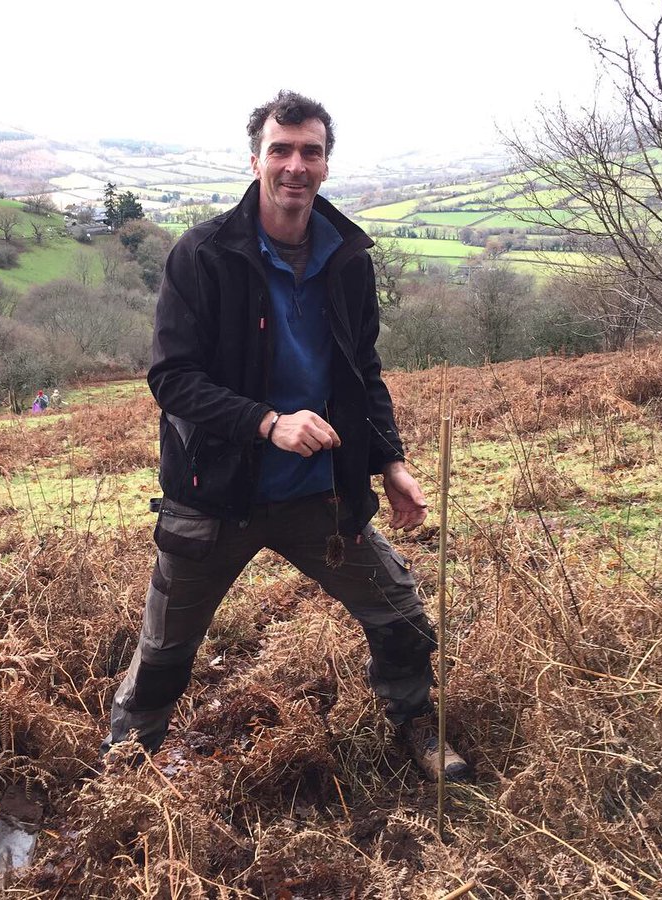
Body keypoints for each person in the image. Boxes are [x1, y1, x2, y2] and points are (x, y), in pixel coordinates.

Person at [102, 90, 470, 781]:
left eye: (310, 152)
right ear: (256, 160)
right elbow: (173, 379)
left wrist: (390, 461)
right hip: (215, 495)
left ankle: (416, 722)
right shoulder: (202, 255)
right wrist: (268, 422)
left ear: (326, 165)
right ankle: (125, 771)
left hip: (318, 493)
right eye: (282, 150)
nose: (295, 165)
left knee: (400, 614)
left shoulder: (348, 258)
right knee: (164, 654)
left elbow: (362, 372)